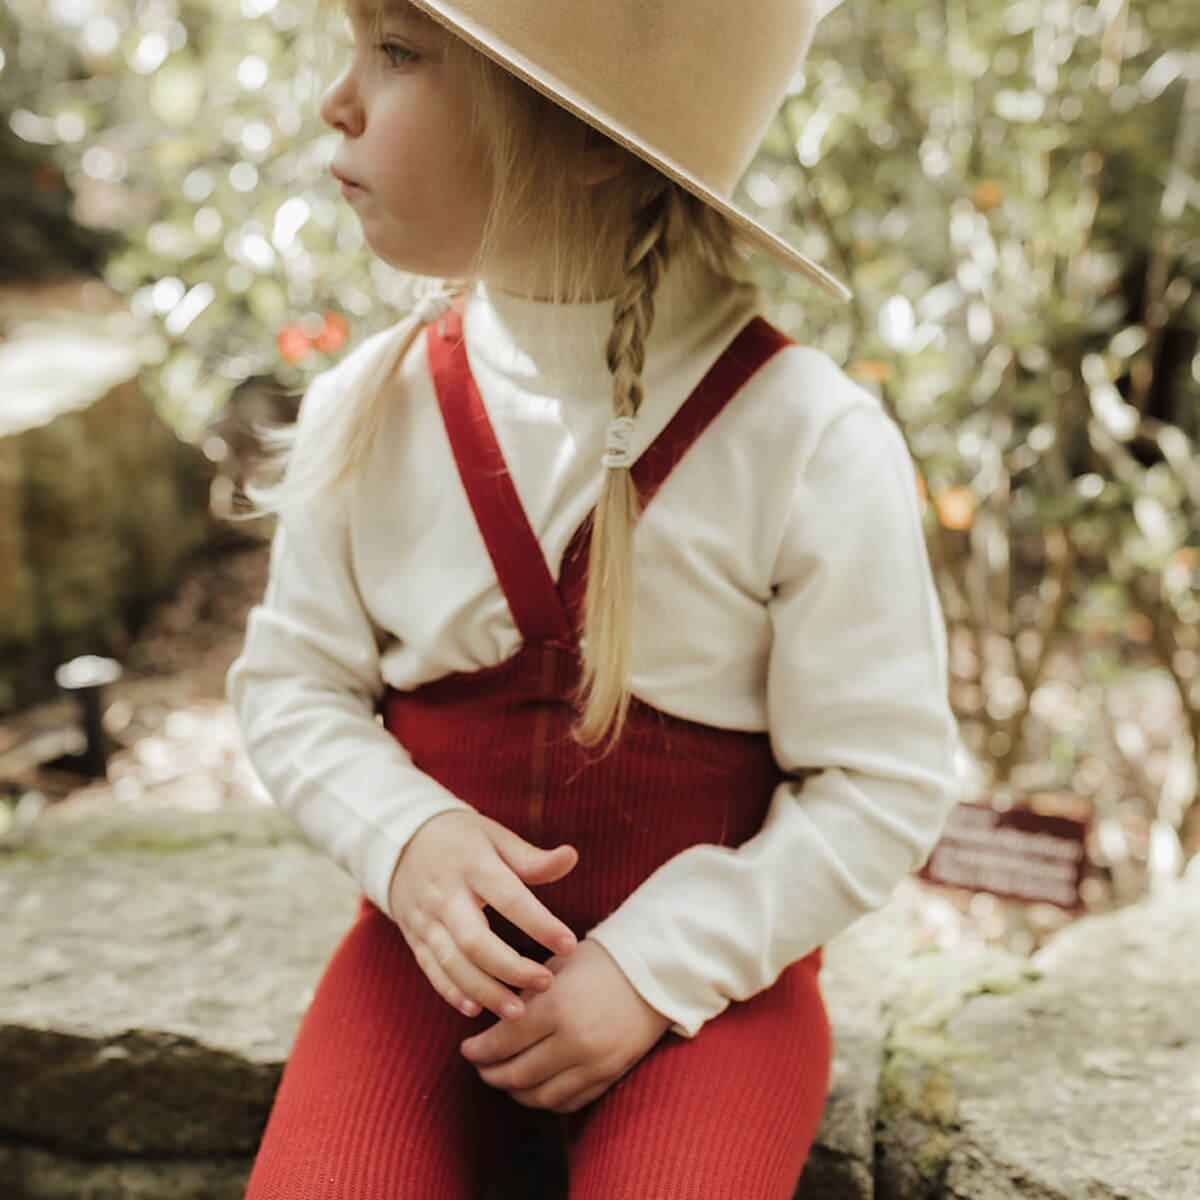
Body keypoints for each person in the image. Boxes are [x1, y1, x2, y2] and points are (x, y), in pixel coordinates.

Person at [226, 0, 962, 1195]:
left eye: (397, 53)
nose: (337, 99)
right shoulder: (373, 403)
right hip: (428, 967)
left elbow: (885, 782)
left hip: (703, 1007)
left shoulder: (805, 439)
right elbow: (292, 685)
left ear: (584, 138)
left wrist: (656, 968)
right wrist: (405, 840)